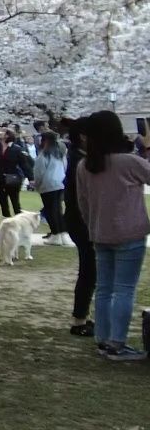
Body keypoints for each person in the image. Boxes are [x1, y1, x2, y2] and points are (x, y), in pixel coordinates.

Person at [72, 110, 150, 360]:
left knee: (105, 288)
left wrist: (92, 224)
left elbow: (82, 202)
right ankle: (117, 342)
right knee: (124, 289)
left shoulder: (85, 165)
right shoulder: (129, 162)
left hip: (99, 232)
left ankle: (103, 339)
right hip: (130, 232)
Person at [63, 119, 96, 338]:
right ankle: (79, 318)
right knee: (89, 269)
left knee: (90, 269)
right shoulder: (79, 160)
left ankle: (81, 316)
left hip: (78, 219)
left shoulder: (78, 157)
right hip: (80, 220)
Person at [33, 129, 69, 246]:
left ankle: (55, 234)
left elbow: (39, 173)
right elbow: (65, 167)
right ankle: (62, 234)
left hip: (48, 185)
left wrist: (37, 185)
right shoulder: (60, 154)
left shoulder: (43, 155)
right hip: (60, 183)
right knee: (57, 210)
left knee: (50, 211)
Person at [0, 129, 33, 218]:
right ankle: (7, 225)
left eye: (2, 132)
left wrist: (31, 178)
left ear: (7, 135)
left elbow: (24, 164)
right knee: (3, 205)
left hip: (12, 179)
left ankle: (19, 224)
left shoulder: (16, 149)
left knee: (15, 204)